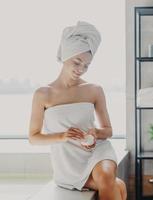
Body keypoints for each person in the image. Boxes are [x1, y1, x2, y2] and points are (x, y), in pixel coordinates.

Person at [28, 21, 127, 200]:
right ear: (66, 55)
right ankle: (115, 183)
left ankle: (109, 180)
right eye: (77, 62)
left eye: (86, 65)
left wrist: (96, 132)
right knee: (116, 186)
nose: (81, 69)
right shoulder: (43, 94)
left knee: (105, 176)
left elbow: (108, 131)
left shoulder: (94, 90)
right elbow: (34, 137)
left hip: (97, 150)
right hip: (68, 161)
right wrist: (62, 136)